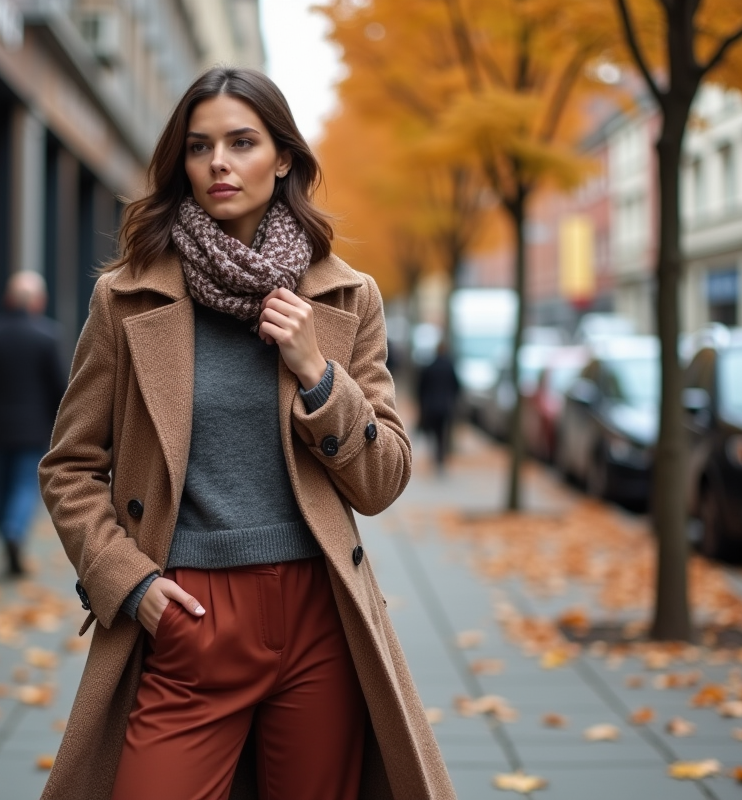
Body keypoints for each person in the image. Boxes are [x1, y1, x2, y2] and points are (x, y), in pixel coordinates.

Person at [38, 67, 456, 800]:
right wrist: (131, 585)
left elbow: (383, 479)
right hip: (189, 611)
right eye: (200, 147)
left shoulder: (346, 296)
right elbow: (70, 464)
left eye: (242, 142)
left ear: (283, 157)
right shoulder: (127, 296)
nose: (219, 164)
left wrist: (317, 373)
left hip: (321, 613)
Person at [0, 271, 66, 577]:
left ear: (8, 300)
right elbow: (60, 388)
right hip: (33, 430)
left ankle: (6, 536)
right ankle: (14, 530)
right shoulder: (47, 336)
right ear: (38, 302)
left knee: (1, 488)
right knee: (23, 486)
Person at [417, 340, 461, 473]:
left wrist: (422, 403)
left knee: (432, 432)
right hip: (445, 406)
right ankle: (440, 458)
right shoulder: (450, 367)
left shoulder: (429, 366)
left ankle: (434, 456)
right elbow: (457, 386)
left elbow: (421, 387)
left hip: (430, 406)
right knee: (441, 433)